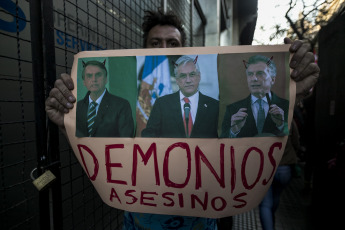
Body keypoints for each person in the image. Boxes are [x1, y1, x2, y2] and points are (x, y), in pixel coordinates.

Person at [44, 9, 320, 230]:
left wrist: (292, 89)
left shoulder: (218, 105)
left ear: (194, 71)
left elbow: (243, 141)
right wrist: (70, 121)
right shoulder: (150, 102)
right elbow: (113, 148)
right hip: (141, 221)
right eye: (155, 43)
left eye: (172, 43)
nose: (163, 48)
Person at [141, 55, 219, 138]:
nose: (188, 80)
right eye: (183, 76)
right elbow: (148, 135)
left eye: (192, 75)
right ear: (177, 80)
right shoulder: (162, 104)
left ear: (199, 77)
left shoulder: (215, 106)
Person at [221, 55, 289, 138]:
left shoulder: (287, 106)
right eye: (250, 74)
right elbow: (221, 140)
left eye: (260, 73)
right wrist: (233, 130)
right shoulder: (233, 109)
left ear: (273, 79)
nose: (254, 79)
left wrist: (282, 125)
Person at [258, 119, 300, 230]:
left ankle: (268, 225)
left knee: (265, 203)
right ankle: (271, 219)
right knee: (276, 197)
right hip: (284, 168)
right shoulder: (288, 117)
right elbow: (296, 142)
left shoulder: (259, 118)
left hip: (265, 168)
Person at [76, 60, 134, 137]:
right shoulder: (78, 106)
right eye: (89, 76)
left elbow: (126, 140)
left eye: (98, 75)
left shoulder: (121, 105)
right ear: (84, 82)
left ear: (106, 79)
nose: (94, 80)